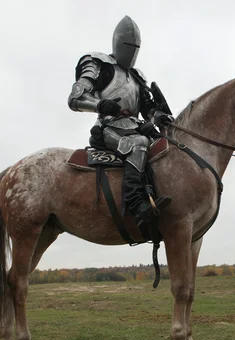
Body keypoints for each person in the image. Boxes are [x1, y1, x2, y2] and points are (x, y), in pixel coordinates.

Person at [67, 15, 173, 228]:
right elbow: (75, 98)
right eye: (128, 45)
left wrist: (156, 117)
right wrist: (100, 105)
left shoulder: (137, 76)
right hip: (108, 127)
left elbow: (147, 108)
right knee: (138, 144)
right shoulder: (99, 64)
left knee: (165, 147)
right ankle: (137, 204)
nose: (132, 51)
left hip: (134, 127)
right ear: (117, 42)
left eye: (135, 47)